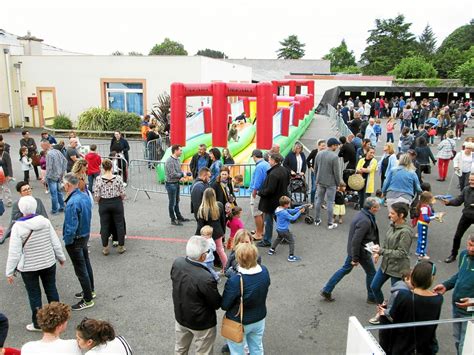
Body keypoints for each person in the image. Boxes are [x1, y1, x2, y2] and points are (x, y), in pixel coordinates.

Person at [5, 196, 66, 331]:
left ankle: (38, 323)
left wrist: (9, 272)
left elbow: (14, 253)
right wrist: (61, 257)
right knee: (51, 289)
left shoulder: (18, 227)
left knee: (34, 295)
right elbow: (55, 242)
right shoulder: (44, 222)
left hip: (28, 267)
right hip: (48, 262)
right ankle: (57, 318)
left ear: (21, 209)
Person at [320, 198, 380, 303]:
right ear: (372, 208)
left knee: (345, 269)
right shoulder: (365, 221)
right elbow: (356, 240)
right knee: (371, 273)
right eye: (377, 207)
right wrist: (355, 258)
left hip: (355, 250)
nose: (379, 209)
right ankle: (371, 297)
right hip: (361, 252)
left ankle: (327, 289)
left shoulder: (361, 214)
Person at [170, 235, 222, 355]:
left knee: (180, 349)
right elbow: (216, 303)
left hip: (181, 316)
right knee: (203, 352)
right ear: (203, 256)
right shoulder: (206, 278)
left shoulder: (177, 263)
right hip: (201, 323)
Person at [378, 261, 443, 354]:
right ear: (431, 278)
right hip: (425, 348)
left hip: (402, 347)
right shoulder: (438, 299)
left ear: (413, 277)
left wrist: (384, 312)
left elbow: (392, 316)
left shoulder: (403, 295)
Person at [221, 243, 270, 354]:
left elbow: (225, 305)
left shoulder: (236, 280)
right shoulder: (264, 271)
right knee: (257, 348)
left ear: (239, 259)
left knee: (237, 351)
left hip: (240, 321)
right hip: (259, 318)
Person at [433, 235, 474, 354]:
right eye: (470, 245)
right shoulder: (463, 255)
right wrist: (446, 285)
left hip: (471, 313)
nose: (471, 249)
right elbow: (459, 275)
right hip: (457, 307)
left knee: (465, 345)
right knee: (457, 339)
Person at [370, 203, 413, 311]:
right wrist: (378, 253)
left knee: (396, 295)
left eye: (392, 213)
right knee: (374, 286)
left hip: (398, 269)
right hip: (386, 265)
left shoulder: (405, 232)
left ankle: (390, 315)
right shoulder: (392, 225)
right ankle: (382, 309)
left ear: (401, 215)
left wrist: (382, 251)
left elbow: (402, 253)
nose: (389, 215)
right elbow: (386, 242)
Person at [62, 173, 95, 311]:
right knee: (86, 263)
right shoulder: (84, 195)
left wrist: (67, 241)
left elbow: (71, 226)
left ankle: (87, 299)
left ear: (68, 185)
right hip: (85, 234)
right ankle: (90, 290)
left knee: (80, 268)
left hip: (75, 239)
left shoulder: (72, 202)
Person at [93, 159, 126, 255]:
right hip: (116, 202)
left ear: (103, 168)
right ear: (111, 167)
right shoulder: (118, 178)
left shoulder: (99, 179)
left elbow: (96, 195)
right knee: (119, 224)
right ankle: (121, 246)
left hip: (104, 203)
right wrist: (120, 198)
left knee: (104, 225)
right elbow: (123, 193)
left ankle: (105, 248)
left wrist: (99, 200)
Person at [257, 153, 290, 247]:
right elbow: (287, 183)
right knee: (280, 219)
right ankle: (285, 236)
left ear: (274, 161)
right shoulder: (284, 170)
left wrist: (260, 192)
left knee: (268, 222)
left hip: (271, 202)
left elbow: (270, 190)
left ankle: (267, 240)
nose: (268, 161)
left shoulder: (273, 174)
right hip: (280, 200)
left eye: (270, 159)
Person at [441, 174, 474, 263]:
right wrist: (449, 202)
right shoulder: (466, 189)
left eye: (473, 180)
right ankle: (453, 254)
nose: (471, 182)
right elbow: (458, 201)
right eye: (470, 180)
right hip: (466, 215)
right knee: (457, 236)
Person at [195, 188, 228, 270]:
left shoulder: (202, 209)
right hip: (218, 232)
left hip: (207, 234)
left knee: (205, 251)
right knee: (220, 250)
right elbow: (223, 220)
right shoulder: (219, 205)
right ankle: (226, 267)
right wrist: (223, 232)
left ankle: (204, 267)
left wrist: (197, 236)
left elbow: (200, 226)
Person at [314, 138, 342, 230]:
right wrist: (338, 184)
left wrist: (316, 179)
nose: (337, 147)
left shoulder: (319, 153)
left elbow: (316, 167)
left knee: (319, 200)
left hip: (320, 181)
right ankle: (330, 223)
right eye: (336, 145)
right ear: (333, 145)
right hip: (331, 183)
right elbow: (336, 173)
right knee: (330, 202)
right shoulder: (334, 157)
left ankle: (317, 220)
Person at [267, 195, 305, 262]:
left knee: (278, 239)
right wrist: (300, 212)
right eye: (289, 203)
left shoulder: (279, 209)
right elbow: (293, 218)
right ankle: (291, 256)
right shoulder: (284, 212)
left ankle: (271, 250)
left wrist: (300, 207)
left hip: (279, 229)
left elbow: (292, 210)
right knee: (291, 241)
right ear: (285, 205)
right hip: (284, 230)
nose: (290, 204)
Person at [165, 145, 190, 226]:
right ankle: (173, 219)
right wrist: (183, 174)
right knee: (172, 203)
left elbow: (178, 172)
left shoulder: (178, 160)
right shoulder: (169, 161)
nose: (181, 152)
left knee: (177, 201)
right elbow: (172, 174)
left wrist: (181, 177)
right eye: (180, 150)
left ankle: (179, 217)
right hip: (171, 184)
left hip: (176, 183)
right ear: (175, 151)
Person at [248, 149, 270, 241]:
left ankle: (259, 233)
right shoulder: (266, 164)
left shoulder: (259, 167)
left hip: (258, 193)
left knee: (256, 213)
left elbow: (257, 182)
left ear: (254, 156)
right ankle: (260, 230)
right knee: (261, 213)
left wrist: (254, 193)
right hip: (264, 192)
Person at [415, 192, 444, 260]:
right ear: (427, 200)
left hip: (421, 223)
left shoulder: (426, 206)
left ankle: (418, 251)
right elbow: (426, 218)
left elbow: (431, 214)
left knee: (420, 238)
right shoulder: (424, 207)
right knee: (423, 239)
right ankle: (421, 254)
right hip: (423, 224)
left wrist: (437, 214)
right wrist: (435, 217)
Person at [46, 141, 67, 215]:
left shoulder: (49, 154)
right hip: (59, 175)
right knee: (59, 192)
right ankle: (62, 207)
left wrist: (46, 176)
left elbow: (49, 167)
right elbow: (65, 161)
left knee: (53, 194)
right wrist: (62, 172)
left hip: (52, 176)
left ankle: (55, 210)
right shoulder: (59, 153)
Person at [307, 140, 327, 205]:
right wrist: (311, 168)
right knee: (314, 188)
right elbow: (307, 160)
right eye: (322, 146)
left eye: (324, 146)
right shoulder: (314, 152)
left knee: (323, 188)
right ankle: (312, 203)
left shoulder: (326, 153)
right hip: (315, 173)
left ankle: (322, 202)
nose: (324, 147)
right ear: (318, 146)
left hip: (323, 173)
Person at [0, 143, 12, 207]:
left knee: (6, 188)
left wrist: (10, 175)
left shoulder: (5, 154)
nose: (0, 148)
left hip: (5, 173)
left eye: (1, 147)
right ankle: (0, 201)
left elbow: (9, 165)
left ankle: (9, 201)